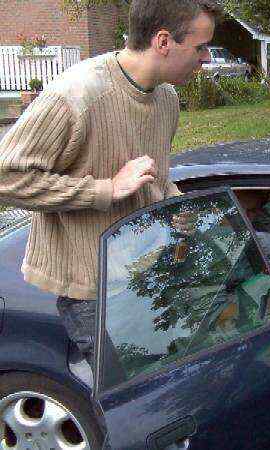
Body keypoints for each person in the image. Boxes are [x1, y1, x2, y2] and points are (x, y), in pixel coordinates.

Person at [0, 0, 217, 366]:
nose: (207, 58)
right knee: (132, 397)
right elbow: (7, 177)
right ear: (163, 41)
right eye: (201, 47)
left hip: (146, 274)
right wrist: (106, 190)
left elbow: (155, 177)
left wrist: (176, 204)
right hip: (94, 292)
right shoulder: (76, 96)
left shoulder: (166, 98)